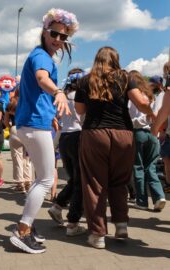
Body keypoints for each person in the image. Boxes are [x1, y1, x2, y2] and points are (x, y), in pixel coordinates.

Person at [9, 8, 78, 254]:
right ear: (45, 31)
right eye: (54, 33)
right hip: (33, 124)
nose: (58, 39)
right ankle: (23, 229)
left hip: (34, 123)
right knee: (46, 179)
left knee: (42, 178)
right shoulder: (41, 56)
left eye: (63, 36)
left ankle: (27, 225)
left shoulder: (43, 55)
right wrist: (58, 92)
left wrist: (52, 116)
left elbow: (37, 91)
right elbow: (41, 79)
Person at [75, 47, 155, 249]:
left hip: (94, 133)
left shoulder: (85, 80)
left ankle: (97, 234)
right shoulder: (126, 77)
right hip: (123, 134)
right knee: (119, 181)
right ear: (116, 60)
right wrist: (152, 112)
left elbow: (79, 110)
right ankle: (121, 225)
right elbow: (141, 102)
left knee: (95, 184)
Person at [48, 68, 86, 236]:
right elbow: (84, 119)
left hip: (64, 138)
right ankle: (73, 223)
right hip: (78, 137)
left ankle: (58, 206)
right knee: (80, 181)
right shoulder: (81, 96)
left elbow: (59, 120)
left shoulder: (62, 97)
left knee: (74, 179)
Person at [128, 70, 166, 211]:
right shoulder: (151, 96)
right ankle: (159, 196)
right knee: (151, 167)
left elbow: (128, 116)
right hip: (153, 134)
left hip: (137, 133)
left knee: (138, 167)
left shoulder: (131, 96)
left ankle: (142, 201)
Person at [4, 92, 33, 193]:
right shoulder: (28, 103)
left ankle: (20, 184)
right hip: (28, 130)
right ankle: (28, 182)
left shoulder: (10, 106)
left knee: (17, 157)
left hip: (15, 129)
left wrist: (11, 127)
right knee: (27, 158)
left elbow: (6, 122)